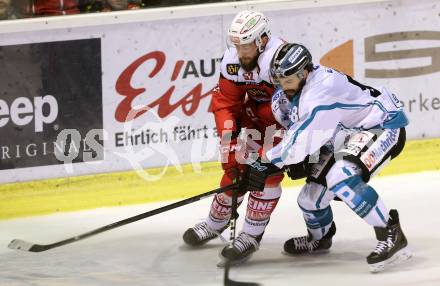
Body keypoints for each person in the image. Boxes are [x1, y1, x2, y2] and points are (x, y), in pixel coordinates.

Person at [238, 43, 412, 272]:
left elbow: (303, 140)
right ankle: (319, 238)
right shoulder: (287, 94)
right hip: (345, 135)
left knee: (341, 176)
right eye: (278, 79)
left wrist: (265, 163)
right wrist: (296, 160)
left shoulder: (320, 92)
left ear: (304, 72)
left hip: (381, 125)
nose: (283, 85)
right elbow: (299, 134)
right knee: (310, 199)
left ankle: (391, 233)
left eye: (287, 79)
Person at [182, 10, 290, 265]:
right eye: (237, 45)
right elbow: (225, 103)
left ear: (263, 39)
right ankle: (215, 223)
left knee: (266, 173)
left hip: (288, 123)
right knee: (236, 170)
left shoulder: (282, 60)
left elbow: (300, 105)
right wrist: (229, 145)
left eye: (247, 46)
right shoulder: (232, 61)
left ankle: (251, 235)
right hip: (256, 120)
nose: (241, 52)